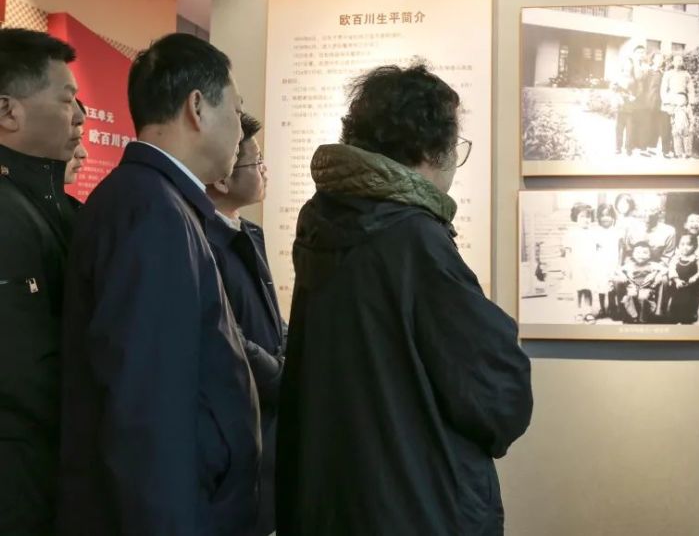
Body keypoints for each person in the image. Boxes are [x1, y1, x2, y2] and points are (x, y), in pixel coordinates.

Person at [277, 64, 533, 536]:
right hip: (419, 505)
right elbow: (498, 397)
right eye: (456, 146)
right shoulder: (413, 239)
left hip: (334, 503)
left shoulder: (322, 221)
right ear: (428, 148)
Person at [58, 33, 261, 536]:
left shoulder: (161, 202)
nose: (241, 130)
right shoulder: (151, 211)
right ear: (197, 107)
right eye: (235, 111)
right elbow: (147, 408)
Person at [0, 28, 82, 534]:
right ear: (8, 111)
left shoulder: (52, 204)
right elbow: (23, 368)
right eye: (67, 100)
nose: (77, 118)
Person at [206, 112, 286, 536]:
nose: (264, 170)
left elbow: (270, 318)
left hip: (268, 423)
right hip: (239, 418)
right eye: (256, 163)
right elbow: (225, 331)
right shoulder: (203, 239)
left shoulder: (247, 233)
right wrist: (279, 374)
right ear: (222, 179)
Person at [613, 241, 666, 324]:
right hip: (633, 286)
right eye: (638, 252)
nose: (641, 255)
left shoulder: (652, 264)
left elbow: (665, 269)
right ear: (633, 255)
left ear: (649, 255)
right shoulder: (630, 265)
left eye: (645, 253)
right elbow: (618, 270)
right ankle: (634, 316)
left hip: (646, 287)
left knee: (643, 297)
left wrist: (659, 274)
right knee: (630, 295)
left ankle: (643, 317)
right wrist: (622, 275)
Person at [564, 202, 599, 320]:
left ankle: (588, 311)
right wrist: (568, 267)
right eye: (582, 217)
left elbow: (597, 249)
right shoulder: (571, 233)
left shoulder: (594, 233)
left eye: (588, 217)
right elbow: (568, 251)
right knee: (578, 289)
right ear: (576, 218)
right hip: (576, 265)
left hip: (590, 265)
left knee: (588, 289)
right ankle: (578, 311)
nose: (585, 220)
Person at [611, 41, 647, 156]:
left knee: (630, 128)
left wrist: (634, 97)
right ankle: (618, 147)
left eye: (629, 65)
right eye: (625, 65)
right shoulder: (619, 76)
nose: (627, 66)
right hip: (620, 104)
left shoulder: (634, 77)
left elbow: (640, 88)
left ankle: (628, 148)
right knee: (619, 127)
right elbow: (613, 87)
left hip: (631, 105)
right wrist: (618, 93)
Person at [665, 233, 699, 324]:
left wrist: (695, 277)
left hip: (692, 285)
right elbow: (671, 269)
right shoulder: (676, 258)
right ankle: (675, 315)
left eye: (689, 245)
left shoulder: (697, 259)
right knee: (677, 299)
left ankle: (691, 314)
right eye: (682, 244)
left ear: (695, 246)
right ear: (678, 246)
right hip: (678, 283)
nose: (685, 247)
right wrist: (676, 280)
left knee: (691, 300)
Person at [659, 54, 693, 158]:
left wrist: (690, 102)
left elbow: (691, 89)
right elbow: (663, 89)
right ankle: (665, 150)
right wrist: (665, 101)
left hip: (681, 101)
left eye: (680, 60)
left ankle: (676, 151)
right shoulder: (668, 74)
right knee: (667, 127)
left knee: (679, 127)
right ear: (673, 62)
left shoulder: (686, 74)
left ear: (682, 62)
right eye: (676, 60)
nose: (679, 62)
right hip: (669, 101)